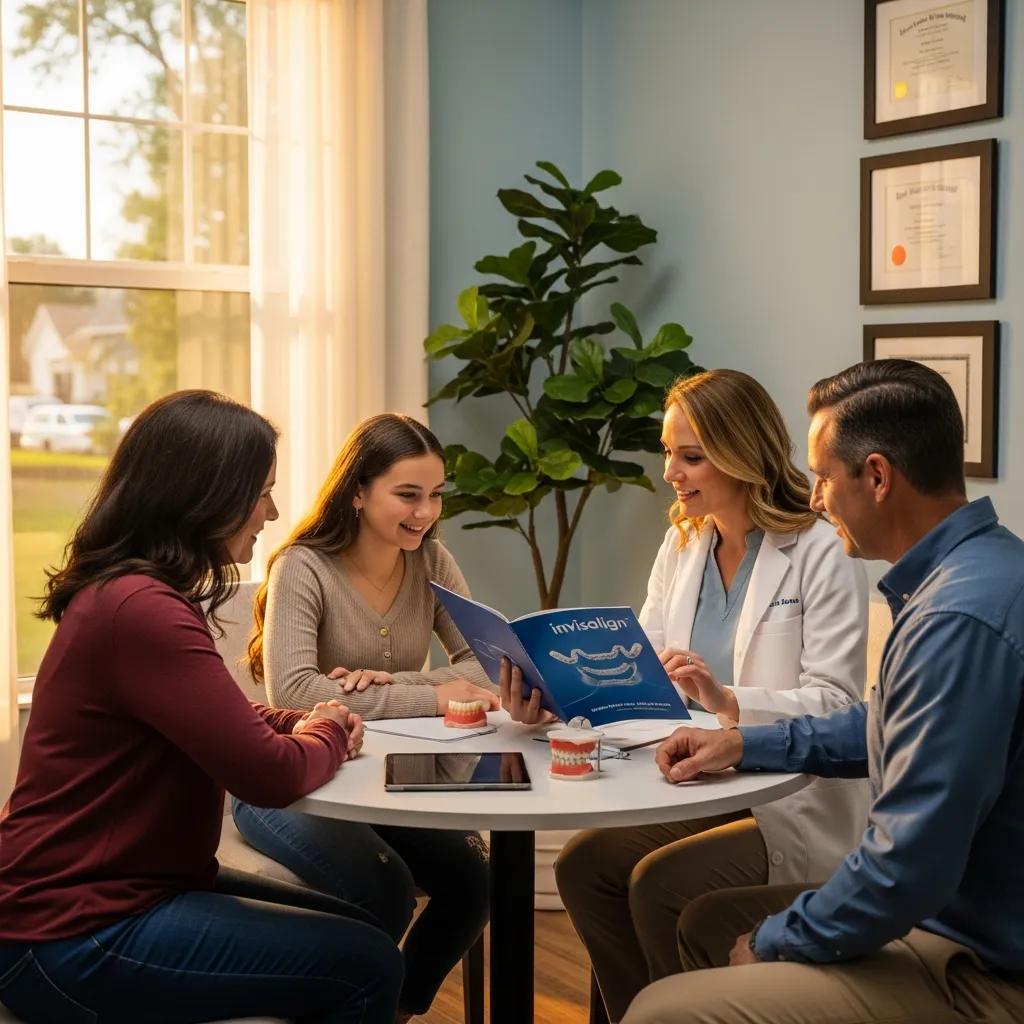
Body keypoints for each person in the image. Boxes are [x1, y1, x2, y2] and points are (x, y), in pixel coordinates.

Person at [624, 359, 1024, 1024]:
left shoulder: (957, 619)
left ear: (876, 476)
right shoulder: (981, 570)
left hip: (977, 960)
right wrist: (744, 742)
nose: (813, 498)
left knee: (661, 1011)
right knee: (697, 918)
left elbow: (906, 868)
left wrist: (775, 940)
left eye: (822, 477)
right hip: (957, 915)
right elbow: (881, 724)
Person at [0, 391, 403, 1024]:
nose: (271, 512)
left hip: (116, 895)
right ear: (203, 496)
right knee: (368, 962)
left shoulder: (132, 595)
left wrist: (297, 720)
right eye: (261, 492)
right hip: (70, 933)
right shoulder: (143, 610)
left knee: (363, 920)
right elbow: (267, 776)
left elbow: (215, 718)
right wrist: (325, 728)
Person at [549, 369, 870, 1021]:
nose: (671, 471)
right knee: (584, 863)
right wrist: (556, 682)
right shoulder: (684, 542)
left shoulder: (817, 548)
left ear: (740, 453)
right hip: (699, 779)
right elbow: (638, 662)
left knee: (658, 883)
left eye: (690, 456)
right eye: (669, 452)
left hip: (789, 797)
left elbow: (837, 702)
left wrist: (726, 699)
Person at [233, 412, 498, 1020]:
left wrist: (397, 683)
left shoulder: (432, 562)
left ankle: (391, 1012)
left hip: (392, 780)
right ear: (357, 490)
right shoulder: (301, 565)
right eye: (407, 494)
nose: (425, 512)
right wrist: (435, 693)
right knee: (384, 889)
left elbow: (487, 671)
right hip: (294, 785)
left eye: (435, 495)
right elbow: (297, 692)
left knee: (474, 882)